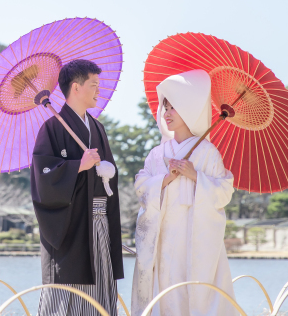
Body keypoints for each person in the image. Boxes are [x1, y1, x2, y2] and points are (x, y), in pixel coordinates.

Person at [130, 69, 237, 316]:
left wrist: (195, 175)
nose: (166, 113)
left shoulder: (207, 152)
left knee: (192, 289)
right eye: (165, 108)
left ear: (189, 108)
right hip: (163, 234)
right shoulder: (157, 153)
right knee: (164, 288)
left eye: (173, 108)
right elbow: (141, 186)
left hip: (194, 236)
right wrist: (165, 179)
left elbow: (223, 192)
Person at [31, 59, 124, 316]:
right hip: (71, 227)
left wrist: (108, 171)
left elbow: (107, 179)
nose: (98, 90)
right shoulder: (52, 128)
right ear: (75, 87)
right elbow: (42, 181)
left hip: (100, 223)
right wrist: (77, 167)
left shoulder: (98, 128)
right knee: (68, 291)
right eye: (94, 84)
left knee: (100, 288)